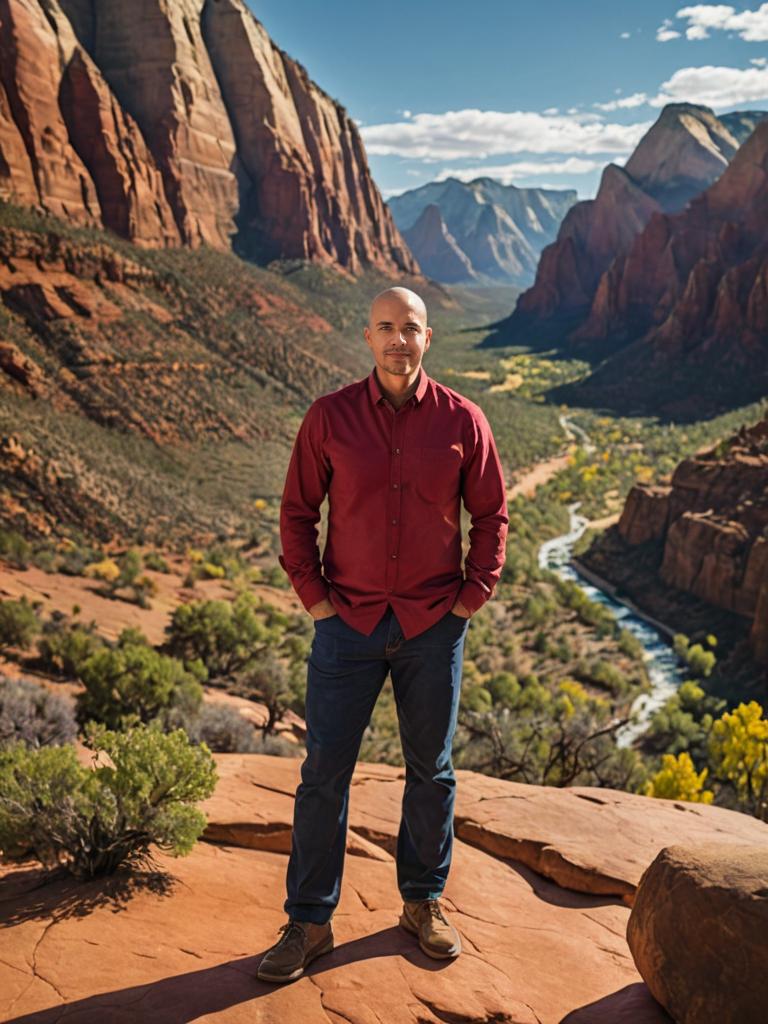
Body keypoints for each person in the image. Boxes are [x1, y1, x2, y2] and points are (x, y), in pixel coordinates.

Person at [257, 286, 509, 984]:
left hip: (434, 626)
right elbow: (296, 513)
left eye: (412, 330)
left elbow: (492, 518)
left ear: (430, 339)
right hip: (347, 627)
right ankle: (309, 920)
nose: (400, 341)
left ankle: (422, 903)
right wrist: (316, 602)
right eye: (387, 329)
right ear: (367, 337)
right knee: (322, 777)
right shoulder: (329, 418)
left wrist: (470, 599)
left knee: (431, 773)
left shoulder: (466, 420)